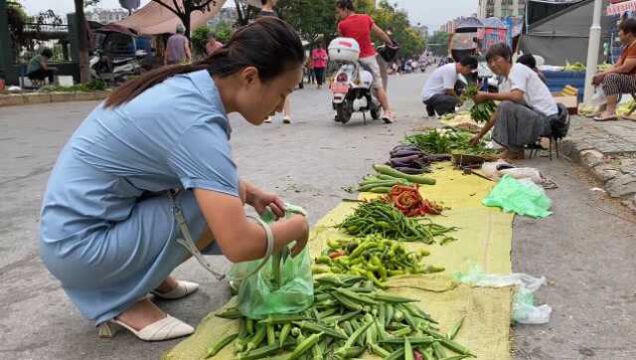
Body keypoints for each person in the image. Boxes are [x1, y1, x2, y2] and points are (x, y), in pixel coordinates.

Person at [39, 17, 309, 342]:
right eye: (282, 94)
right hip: (81, 250)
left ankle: (147, 276)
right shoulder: (197, 122)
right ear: (250, 76)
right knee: (212, 202)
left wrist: (250, 194)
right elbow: (238, 244)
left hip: (71, 236)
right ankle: (121, 300)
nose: (281, 108)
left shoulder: (191, 86)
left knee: (227, 190)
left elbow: (201, 173)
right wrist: (298, 226)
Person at [469, 43, 558, 160]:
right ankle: (515, 151)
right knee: (505, 107)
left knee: (506, 106)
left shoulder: (517, 70)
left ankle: (513, 151)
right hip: (535, 118)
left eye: (496, 59)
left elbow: (516, 96)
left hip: (547, 121)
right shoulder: (506, 81)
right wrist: (479, 136)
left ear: (508, 58)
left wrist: (486, 95)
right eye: (490, 62)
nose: (493, 64)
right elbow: (497, 113)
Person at [336, 0, 396, 123]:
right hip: (368, 58)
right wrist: (390, 42)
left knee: (341, 80)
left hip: (350, 60)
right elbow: (379, 33)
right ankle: (387, 112)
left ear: (345, 9)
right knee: (378, 85)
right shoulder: (365, 18)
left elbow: (340, 42)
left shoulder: (341, 25)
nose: (338, 14)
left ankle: (340, 109)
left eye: (339, 11)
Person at [592, 18, 636, 121]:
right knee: (604, 75)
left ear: (628, 33)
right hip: (630, 79)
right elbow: (617, 65)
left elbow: (625, 68)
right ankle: (603, 108)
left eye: (620, 31)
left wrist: (604, 75)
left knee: (611, 77)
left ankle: (610, 111)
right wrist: (601, 74)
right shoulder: (627, 47)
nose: (619, 34)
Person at [260, 0, 293, 124]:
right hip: (270, 54)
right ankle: (269, 113)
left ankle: (286, 114)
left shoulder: (272, 14)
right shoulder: (263, 16)